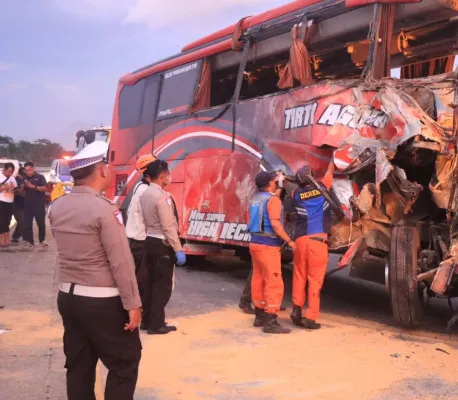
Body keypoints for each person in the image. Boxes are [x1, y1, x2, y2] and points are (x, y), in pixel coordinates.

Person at [48, 141, 142, 400]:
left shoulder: (58, 207)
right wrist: (133, 303)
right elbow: (121, 262)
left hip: (68, 297)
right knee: (124, 363)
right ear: (101, 170)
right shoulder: (105, 210)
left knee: (79, 365)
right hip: (102, 301)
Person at [139, 159, 186, 335]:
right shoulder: (162, 196)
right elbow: (168, 226)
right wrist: (178, 248)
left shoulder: (145, 194)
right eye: (168, 174)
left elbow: (144, 220)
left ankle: (147, 320)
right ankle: (156, 324)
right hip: (162, 244)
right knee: (162, 286)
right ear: (161, 176)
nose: (169, 177)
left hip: (149, 240)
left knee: (150, 284)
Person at [247, 171, 296, 334]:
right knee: (274, 281)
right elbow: (275, 223)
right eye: (274, 181)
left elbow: (270, 200)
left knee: (258, 278)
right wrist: (289, 240)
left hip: (255, 243)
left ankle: (259, 316)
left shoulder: (255, 199)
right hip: (269, 246)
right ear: (270, 183)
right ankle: (271, 321)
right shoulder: (273, 200)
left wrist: (279, 186)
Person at [289, 160, 335, 330]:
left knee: (299, 277)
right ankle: (310, 318)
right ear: (312, 178)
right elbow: (331, 170)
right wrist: (332, 158)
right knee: (314, 280)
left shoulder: (295, 193)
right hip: (317, 242)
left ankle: (296, 310)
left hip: (300, 241)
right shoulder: (322, 188)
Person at [126, 154, 156, 306]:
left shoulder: (140, 186)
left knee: (138, 276)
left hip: (134, 239)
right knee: (143, 278)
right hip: (141, 240)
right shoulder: (146, 191)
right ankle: (140, 309)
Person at [23, 161, 48, 248]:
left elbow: (45, 188)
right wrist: (22, 187)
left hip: (39, 205)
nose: (28, 172)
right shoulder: (24, 178)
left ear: (33, 169)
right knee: (27, 224)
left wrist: (34, 187)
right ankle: (30, 241)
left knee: (41, 224)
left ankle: (42, 240)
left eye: (29, 170)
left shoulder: (40, 177)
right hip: (27, 206)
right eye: (26, 170)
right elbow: (21, 192)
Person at [0, 163, 17, 248]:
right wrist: (5, 187)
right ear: (5, 169)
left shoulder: (12, 178)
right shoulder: (0, 176)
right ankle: (1, 239)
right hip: (1, 202)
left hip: (10, 202)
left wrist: (13, 188)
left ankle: (6, 239)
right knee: (1, 221)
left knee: (7, 221)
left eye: (12, 172)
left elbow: (15, 190)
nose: (10, 173)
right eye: (9, 171)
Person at [11, 167, 25, 244]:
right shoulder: (15, 180)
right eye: (22, 174)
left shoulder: (28, 179)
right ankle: (16, 236)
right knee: (21, 221)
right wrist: (22, 187)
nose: (23, 176)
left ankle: (16, 236)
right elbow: (17, 192)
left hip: (24, 204)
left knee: (23, 221)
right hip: (16, 204)